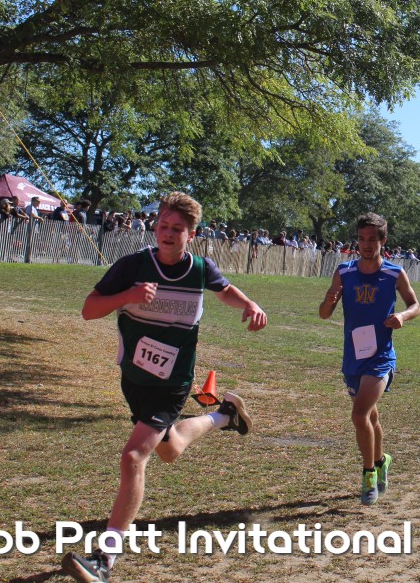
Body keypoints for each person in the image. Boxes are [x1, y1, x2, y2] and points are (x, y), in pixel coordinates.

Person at [61, 192, 267, 582]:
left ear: (192, 234)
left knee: (133, 457)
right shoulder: (133, 265)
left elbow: (224, 290)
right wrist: (129, 295)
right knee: (170, 449)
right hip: (135, 380)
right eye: (163, 226)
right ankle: (224, 415)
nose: (168, 234)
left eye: (177, 229)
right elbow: (89, 310)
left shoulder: (200, 269)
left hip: (173, 382)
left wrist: (250, 304)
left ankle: (105, 558)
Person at [319, 212, 420, 506]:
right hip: (353, 357)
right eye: (362, 239)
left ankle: (368, 475)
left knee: (359, 414)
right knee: (370, 417)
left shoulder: (394, 274)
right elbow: (324, 314)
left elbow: (415, 305)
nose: (366, 244)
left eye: (372, 239)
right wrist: (328, 300)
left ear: (382, 241)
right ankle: (381, 460)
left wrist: (402, 316)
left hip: (381, 357)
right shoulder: (344, 272)